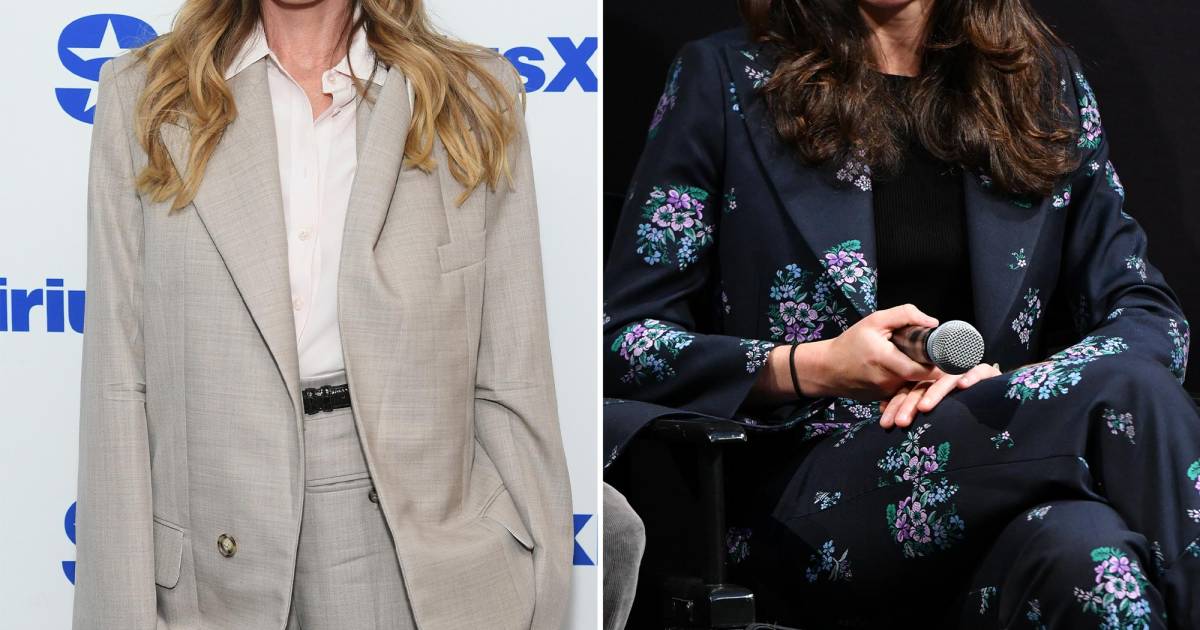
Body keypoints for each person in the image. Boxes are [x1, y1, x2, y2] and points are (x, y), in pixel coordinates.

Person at [602, 0, 1199, 627]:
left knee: (1091, 559)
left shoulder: (1040, 85)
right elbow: (624, 341)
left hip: (1004, 471)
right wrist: (813, 366)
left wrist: (1018, 388)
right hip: (808, 495)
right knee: (1123, 389)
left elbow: (1148, 313)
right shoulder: (728, 77)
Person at [72, 1, 573, 628]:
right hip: (210, 562)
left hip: (419, 558)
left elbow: (513, 378)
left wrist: (547, 587)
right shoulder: (145, 95)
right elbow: (118, 385)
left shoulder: (471, 99)